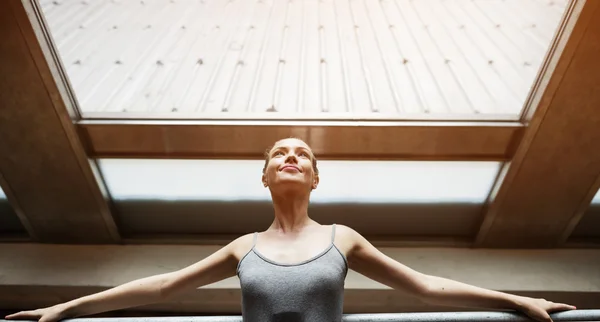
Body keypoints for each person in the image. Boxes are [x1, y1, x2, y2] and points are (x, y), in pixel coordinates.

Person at [6, 138, 575, 322]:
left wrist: (515, 301)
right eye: (279, 153)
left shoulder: (341, 238)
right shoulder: (242, 248)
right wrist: (66, 309)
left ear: (315, 177)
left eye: (302, 154)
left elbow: (424, 285)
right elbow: (160, 287)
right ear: (264, 175)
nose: (290, 158)